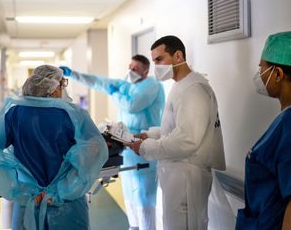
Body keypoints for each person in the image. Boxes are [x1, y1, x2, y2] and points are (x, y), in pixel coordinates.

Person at [0, 65, 108, 230]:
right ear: (54, 89)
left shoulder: (14, 114)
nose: (64, 89)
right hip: (68, 206)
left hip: (29, 202)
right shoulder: (74, 114)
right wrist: (63, 190)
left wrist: (18, 190)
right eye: (63, 84)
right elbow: (95, 150)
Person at [125, 36, 226, 230]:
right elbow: (175, 128)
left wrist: (146, 148)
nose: (156, 66)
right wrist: (149, 135)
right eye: (153, 60)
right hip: (178, 177)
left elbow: (187, 139)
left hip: (187, 179)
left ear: (178, 55)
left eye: (159, 59)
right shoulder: (180, 85)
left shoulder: (194, 88)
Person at [60, 54, 165, 230]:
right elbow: (99, 82)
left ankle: (147, 227)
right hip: (125, 142)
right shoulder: (128, 84)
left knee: (144, 194)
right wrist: (74, 74)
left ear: (146, 71)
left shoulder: (152, 85)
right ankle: (134, 226)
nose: (131, 71)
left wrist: (113, 91)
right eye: (130, 67)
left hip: (144, 142)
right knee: (130, 190)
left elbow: (132, 105)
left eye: (135, 69)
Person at [235, 32, 291, 230]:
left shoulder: (289, 125)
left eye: (262, 67)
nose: (259, 74)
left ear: (278, 74)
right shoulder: (284, 119)